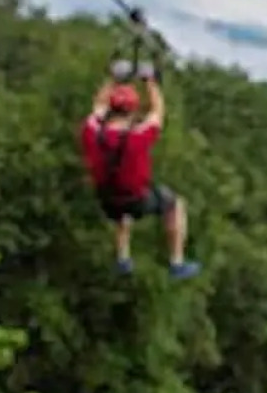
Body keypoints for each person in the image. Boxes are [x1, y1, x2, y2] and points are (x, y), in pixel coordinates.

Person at [80, 68, 200, 279]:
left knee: (120, 213)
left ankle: (123, 259)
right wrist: (150, 82)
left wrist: (113, 78)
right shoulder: (138, 137)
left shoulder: (92, 131)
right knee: (174, 204)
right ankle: (176, 262)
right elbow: (158, 112)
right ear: (133, 111)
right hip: (135, 199)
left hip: (105, 198)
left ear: (110, 107)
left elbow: (97, 105)